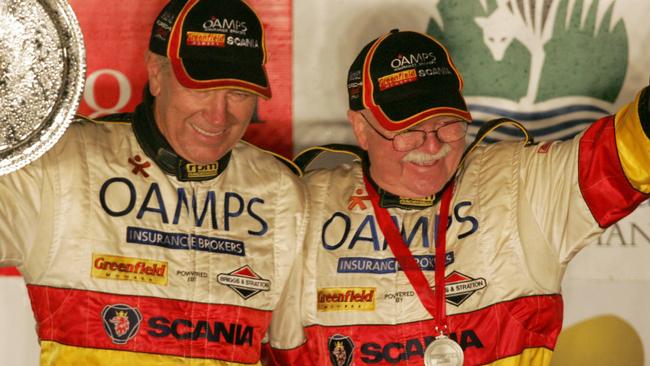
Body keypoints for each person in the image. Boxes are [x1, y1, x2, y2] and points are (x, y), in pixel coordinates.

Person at [262, 29, 649, 365]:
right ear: (362, 128)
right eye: (408, 130)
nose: (431, 146)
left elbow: (621, 156)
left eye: (447, 124)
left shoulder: (520, 185)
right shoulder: (299, 210)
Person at [0, 0, 307, 365]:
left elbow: (294, 352)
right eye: (200, 87)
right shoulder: (61, 166)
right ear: (156, 74)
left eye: (237, 94)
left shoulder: (280, 192)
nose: (217, 114)